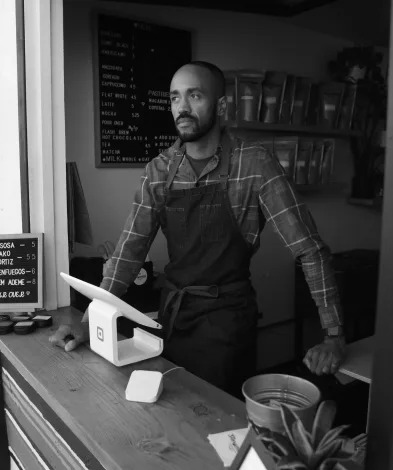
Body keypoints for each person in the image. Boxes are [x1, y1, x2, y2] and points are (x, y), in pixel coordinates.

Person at [51, 61, 346, 397]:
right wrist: (90, 322)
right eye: (175, 98)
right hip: (173, 318)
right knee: (173, 408)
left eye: (194, 96)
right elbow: (127, 255)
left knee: (219, 421)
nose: (183, 107)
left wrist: (334, 335)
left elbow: (310, 250)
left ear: (220, 106)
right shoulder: (158, 171)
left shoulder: (255, 165)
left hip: (227, 324)